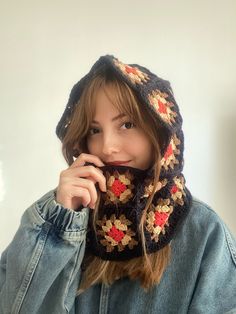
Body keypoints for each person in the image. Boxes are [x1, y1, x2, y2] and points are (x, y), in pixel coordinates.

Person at [0, 55, 236, 314]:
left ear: (159, 130)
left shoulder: (205, 235)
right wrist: (58, 226)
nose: (107, 148)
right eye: (94, 130)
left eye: (127, 124)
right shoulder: (56, 216)